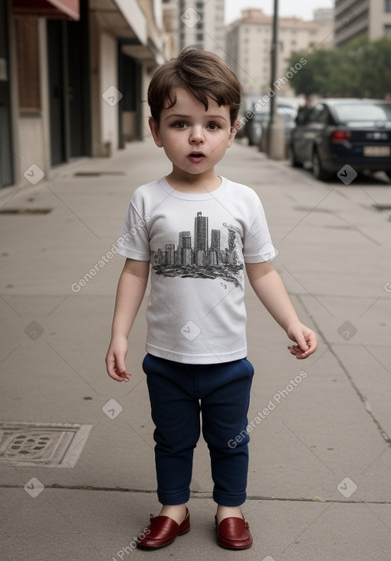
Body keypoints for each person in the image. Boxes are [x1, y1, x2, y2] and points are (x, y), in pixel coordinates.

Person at [105, 48, 317, 551]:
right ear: (156, 131)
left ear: (232, 130)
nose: (197, 136)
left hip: (227, 360)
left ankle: (230, 508)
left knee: (230, 439)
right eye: (181, 123)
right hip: (167, 359)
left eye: (212, 124)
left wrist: (293, 323)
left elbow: (261, 271)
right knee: (171, 439)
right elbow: (135, 271)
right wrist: (119, 333)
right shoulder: (147, 199)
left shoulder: (244, 201)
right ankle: (173, 509)